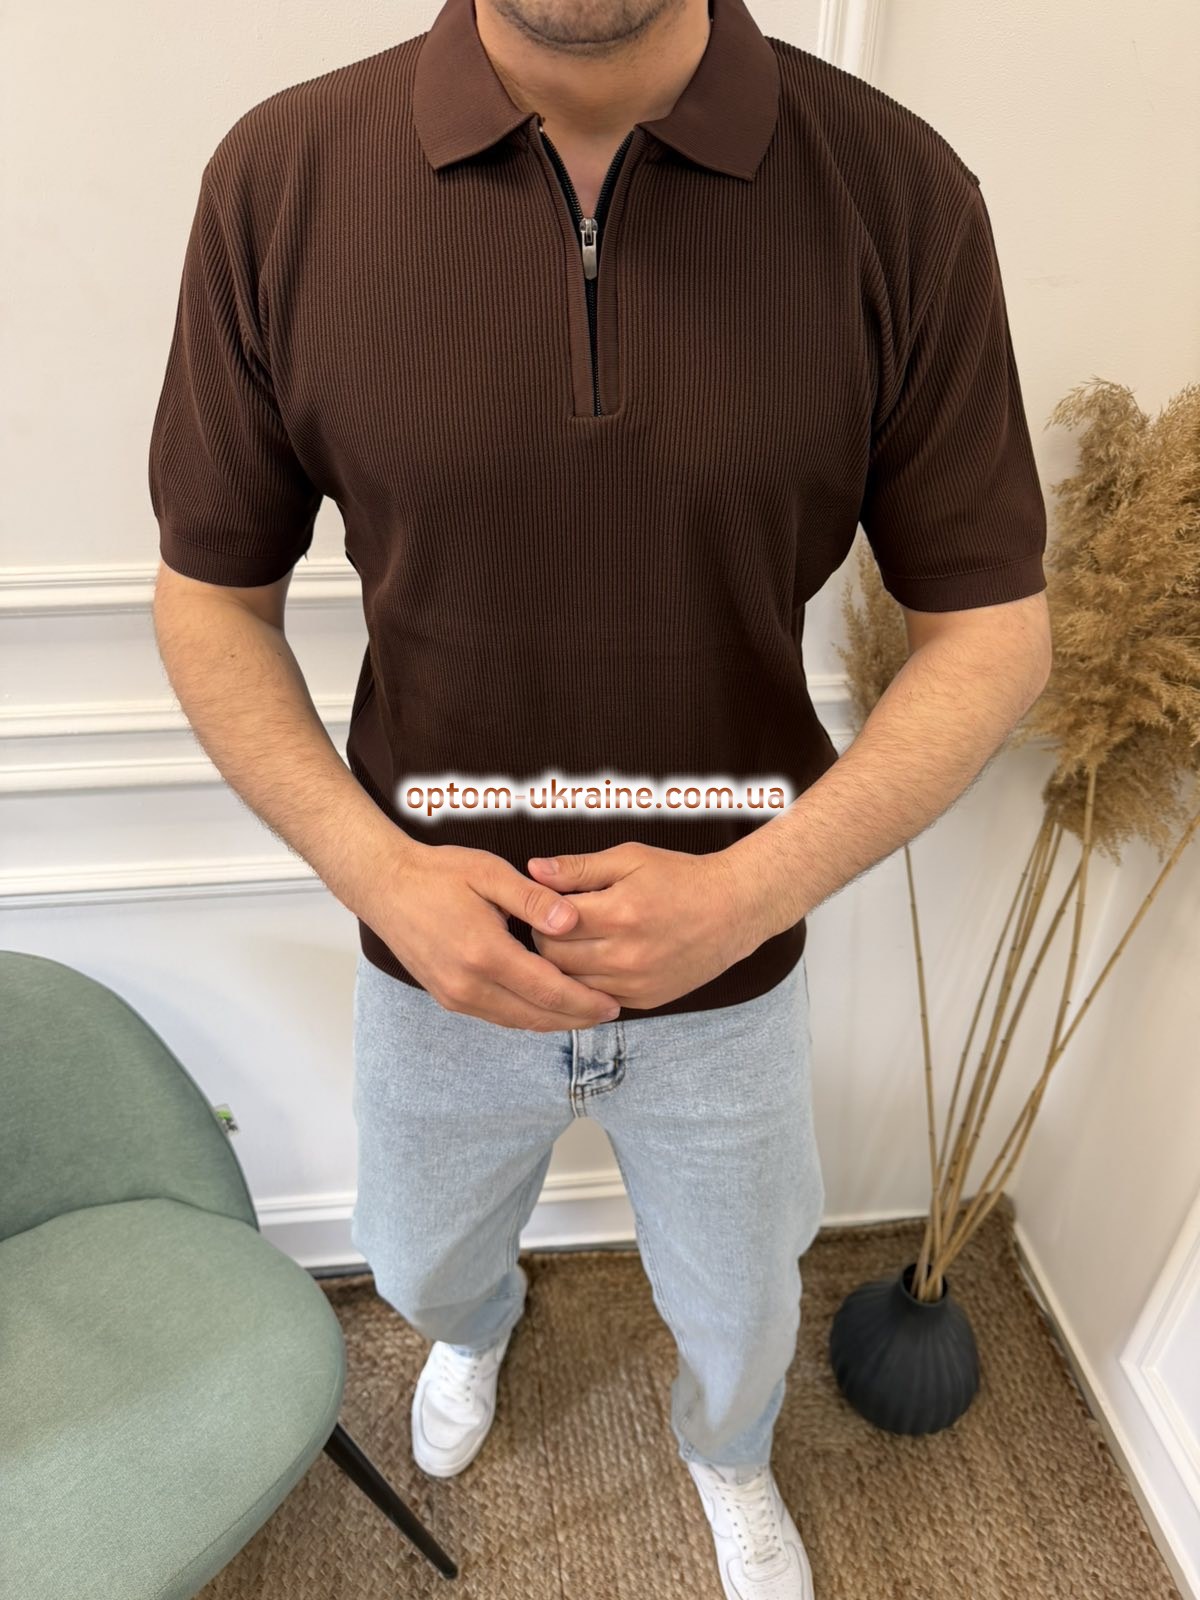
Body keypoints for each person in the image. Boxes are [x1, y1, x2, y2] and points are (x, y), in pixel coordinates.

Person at [148, 0, 1052, 1593]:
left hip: (733, 964)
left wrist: (752, 890)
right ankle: (479, 1329)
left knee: (743, 1302)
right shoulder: (282, 181)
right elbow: (211, 595)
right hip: (433, 953)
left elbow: (991, 632)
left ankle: (729, 1452)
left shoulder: (898, 193)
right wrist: (380, 872)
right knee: (420, 1258)